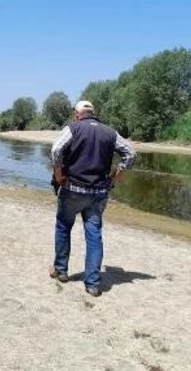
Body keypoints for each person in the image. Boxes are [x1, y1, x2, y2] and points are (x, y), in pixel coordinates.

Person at [48, 100, 136, 297]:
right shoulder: (110, 132)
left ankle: (61, 270)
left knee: (63, 226)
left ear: (77, 114)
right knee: (94, 234)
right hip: (98, 193)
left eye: (75, 115)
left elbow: (56, 150)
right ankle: (93, 284)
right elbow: (130, 154)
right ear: (92, 113)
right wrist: (116, 177)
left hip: (72, 189)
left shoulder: (73, 128)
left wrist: (59, 175)